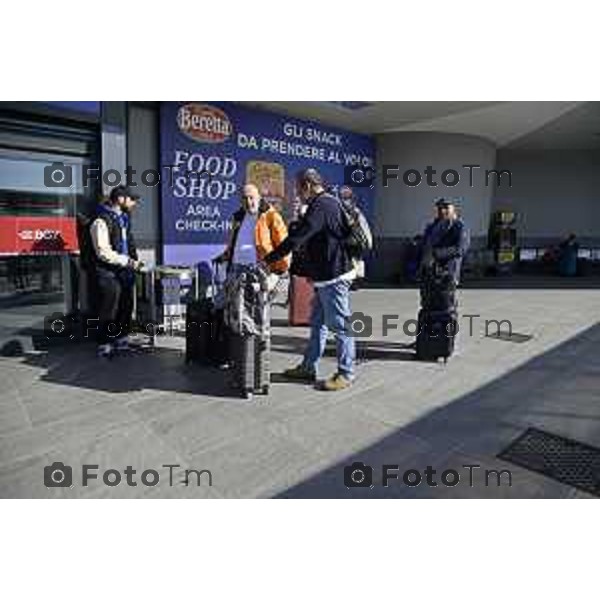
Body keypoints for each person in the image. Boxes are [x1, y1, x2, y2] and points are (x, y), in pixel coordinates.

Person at [264, 168, 356, 392]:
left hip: (334, 277)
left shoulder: (322, 205)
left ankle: (346, 373)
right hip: (325, 277)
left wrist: (271, 258)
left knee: (341, 327)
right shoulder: (327, 203)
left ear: (307, 185)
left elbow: (297, 237)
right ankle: (308, 367)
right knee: (318, 325)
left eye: (298, 188)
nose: (297, 193)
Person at [90, 186, 142, 358]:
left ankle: (122, 339)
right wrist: (127, 261)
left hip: (125, 270)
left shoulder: (124, 219)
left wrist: (135, 262)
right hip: (108, 271)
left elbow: (129, 243)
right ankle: (104, 343)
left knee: (126, 305)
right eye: (132, 199)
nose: (134, 204)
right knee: (109, 307)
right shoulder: (101, 220)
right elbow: (103, 252)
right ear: (120, 199)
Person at [216, 183, 290, 281]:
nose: (248, 202)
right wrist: (225, 256)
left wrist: (279, 271)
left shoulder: (271, 216)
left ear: (259, 197)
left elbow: (283, 245)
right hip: (236, 268)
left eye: (251, 198)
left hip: (259, 270)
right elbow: (233, 243)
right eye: (244, 198)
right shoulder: (237, 217)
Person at [420, 198, 470, 285]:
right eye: (439, 208)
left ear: (453, 209)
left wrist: (437, 253)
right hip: (429, 272)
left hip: (448, 273)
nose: (442, 211)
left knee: (445, 297)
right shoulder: (432, 226)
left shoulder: (459, 226)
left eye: (446, 208)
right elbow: (425, 244)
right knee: (428, 297)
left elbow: (460, 249)